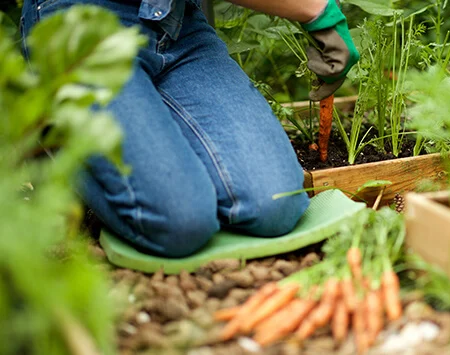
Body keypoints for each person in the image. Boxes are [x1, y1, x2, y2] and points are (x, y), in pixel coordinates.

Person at [20, 0, 359, 257]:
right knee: (180, 223)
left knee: (276, 205)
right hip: (81, 23)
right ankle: (61, 129)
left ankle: (136, 131)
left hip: (176, 24)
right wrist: (314, 8)